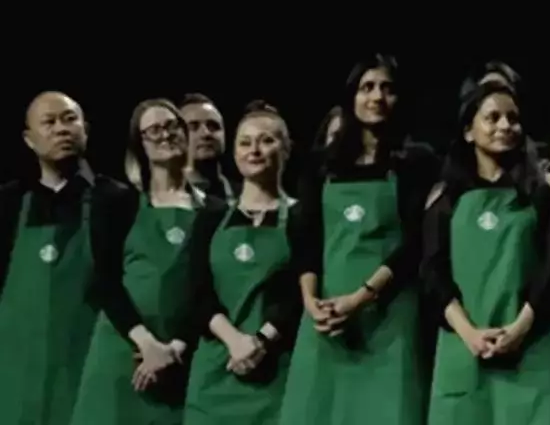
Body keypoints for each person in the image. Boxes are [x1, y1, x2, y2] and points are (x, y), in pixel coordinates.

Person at [279, 54, 439, 425]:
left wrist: (360, 298)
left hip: (391, 317)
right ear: (351, 96)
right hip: (326, 319)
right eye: (367, 87)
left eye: (387, 88)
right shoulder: (321, 165)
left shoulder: (417, 162)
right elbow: (307, 240)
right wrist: (311, 302)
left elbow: (415, 242)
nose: (377, 97)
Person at [421, 81, 550, 424]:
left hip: (531, 352)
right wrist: (469, 334)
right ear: (468, 131)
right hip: (464, 351)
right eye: (492, 118)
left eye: (512, 118)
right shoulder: (445, 199)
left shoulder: (542, 193)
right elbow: (433, 273)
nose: (505, 126)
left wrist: (519, 329)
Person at [71, 99, 216, 425]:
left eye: (172, 126)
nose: (165, 135)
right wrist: (146, 344)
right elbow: (103, 281)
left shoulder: (213, 210)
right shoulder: (117, 203)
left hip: (180, 359)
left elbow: (209, 287)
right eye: (154, 130)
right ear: (140, 145)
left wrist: (174, 348)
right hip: (123, 351)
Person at [0, 92, 126, 425]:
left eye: (70, 119)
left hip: (90, 367)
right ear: (29, 139)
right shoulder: (9, 203)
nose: (61, 129)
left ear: (86, 129)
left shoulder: (116, 200)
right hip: (13, 375)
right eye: (49, 122)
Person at [184, 102, 301, 424]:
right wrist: (234, 341)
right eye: (245, 142)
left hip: (277, 375)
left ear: (286, 149)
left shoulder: (301, 216)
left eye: (266, 141)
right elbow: (197, 291)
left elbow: (296, 294)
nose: (254, 150)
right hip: (215, 370)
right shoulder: (212, 216)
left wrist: (260, 342)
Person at [182, 94, 234, 202]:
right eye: (193, 127)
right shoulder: (160, 199)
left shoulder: (246, 196)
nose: (206, 133)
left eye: (213, 126)